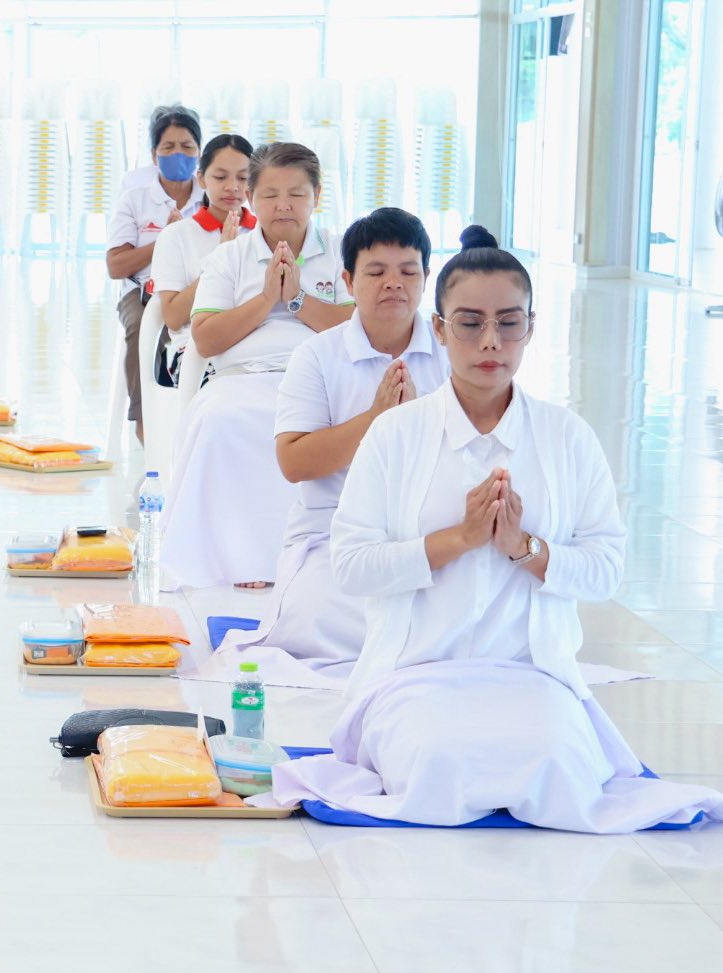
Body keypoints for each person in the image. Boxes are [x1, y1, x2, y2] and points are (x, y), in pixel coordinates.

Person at [256, 226, 723, 832]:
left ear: (532, 326)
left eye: (509, 322)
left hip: (531, 674)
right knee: (437, 766)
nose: (491, 342)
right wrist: (460, 539)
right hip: (416, 674)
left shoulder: (566, 437)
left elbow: (606, 568)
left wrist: (524, 549)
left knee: (557, 768)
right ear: (441, 329)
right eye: (470, 323)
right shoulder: (395, 433)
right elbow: (351, 563)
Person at [214, 208, 449, 676]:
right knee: (325, 614)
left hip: (431, 531)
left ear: (426, 277)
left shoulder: (450, 352)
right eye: (376, 272)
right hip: (336, 534)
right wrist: (376, 420)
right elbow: (294, 461)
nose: (393, 284)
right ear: (348, 279)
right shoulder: (318, 355)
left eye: (408, 271)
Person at [161, 141, 354, 589]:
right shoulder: (230, 257)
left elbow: (357, 325)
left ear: (317, 196)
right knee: (223, 421)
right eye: (269, 195)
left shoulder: (344, 250)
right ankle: (243, 560)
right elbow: (205, 337)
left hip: (321, 378)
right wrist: (267, 299)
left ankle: (322, 557)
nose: (283, 206)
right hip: (244, 378)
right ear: (251, 198)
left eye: (296, 194)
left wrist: (298, 299)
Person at [106, 105, 201, 440]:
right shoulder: (135, 200)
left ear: (199, 152)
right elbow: (116, 266)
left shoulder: (211, 199)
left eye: (187, 147)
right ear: (154, 154)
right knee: (142, 328)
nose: (178, 154)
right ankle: (148, 426)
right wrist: (167, 239)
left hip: (198, 290)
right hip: (144, 291)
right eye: (169, 147)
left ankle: (201, 422)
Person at [149, 134, 256, 383]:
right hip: (196, 353)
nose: (233, 187)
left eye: (243, 178)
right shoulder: (176, 236)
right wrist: (221, 256)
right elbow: (174, 317)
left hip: (257, 346)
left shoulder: (264, 232)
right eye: (220, 177)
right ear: (201, 179)